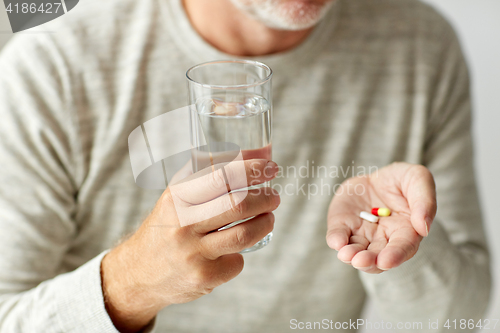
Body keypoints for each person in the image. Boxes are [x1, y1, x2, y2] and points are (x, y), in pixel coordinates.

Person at [0, 0, 491, 332]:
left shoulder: (421, 46)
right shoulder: (55, 65)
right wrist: (130, 284)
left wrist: (404, 247)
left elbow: (454, 319)